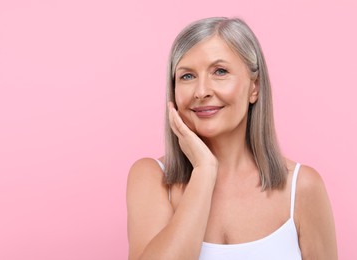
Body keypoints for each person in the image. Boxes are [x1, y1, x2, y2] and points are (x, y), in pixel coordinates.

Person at [126, 17, 337, 260]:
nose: (201, 91)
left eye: (220, 71)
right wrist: (204, 171)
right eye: (187, 76)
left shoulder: (302, 187)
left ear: (254, 88)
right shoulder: (152, 178)